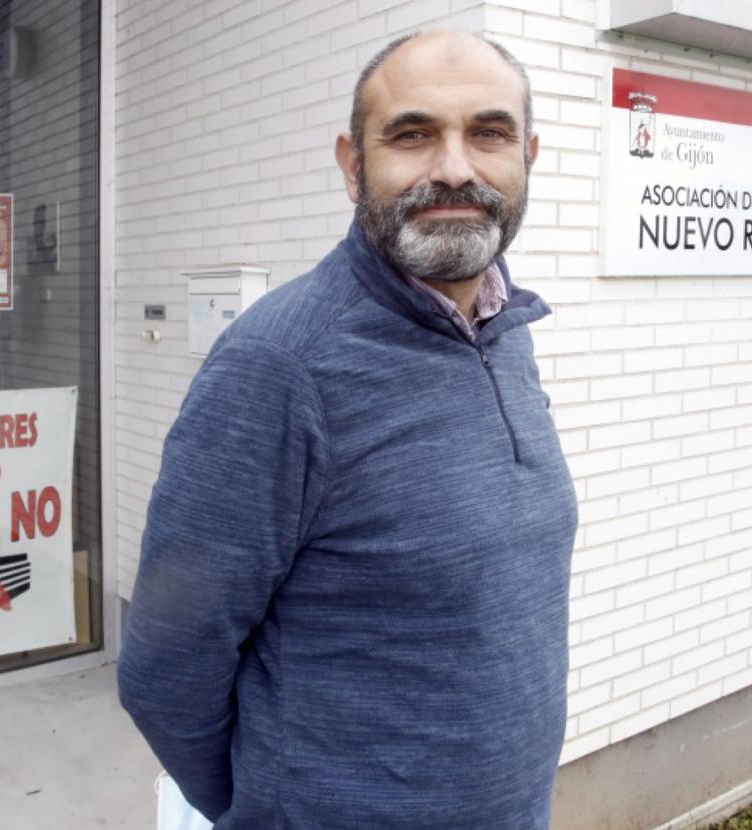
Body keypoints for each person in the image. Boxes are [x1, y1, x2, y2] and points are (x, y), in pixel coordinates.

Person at [118, 30, 578, 829]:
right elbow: (167, 665)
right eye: (412, 133)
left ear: (528, 156)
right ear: (351, 163)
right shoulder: (279, 367)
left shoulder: (505, 330)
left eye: (489, 132)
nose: (456, 168)